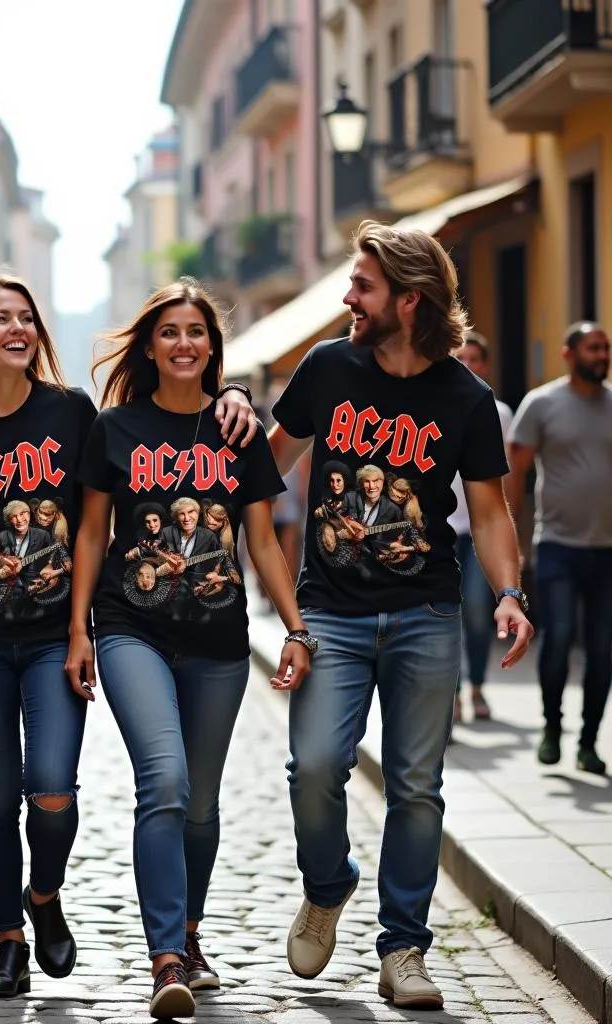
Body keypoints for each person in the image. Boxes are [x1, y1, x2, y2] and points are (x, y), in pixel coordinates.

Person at [0, 275, 260, 1000]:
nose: (18, 329)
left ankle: (46, 891)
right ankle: (9, 941)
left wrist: (236, 393)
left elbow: (106, 511)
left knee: (53, 790)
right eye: (2, 319)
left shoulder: (72, 414)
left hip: (50, 635)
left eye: (27, 318)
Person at [268, 221, 533, 1010]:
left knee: (418, 787)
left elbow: (489, 513)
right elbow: (271, 460)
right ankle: (328, 885)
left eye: (362, 286)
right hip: (330, 613)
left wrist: (510, 594)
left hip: (425, 614)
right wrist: (226, 426)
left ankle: (404, 949)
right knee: (314, 767)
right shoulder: (327, 368)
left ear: (408, 301)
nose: (347, 298)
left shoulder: (466, 399)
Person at [66, 279, 315, 1021]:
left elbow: (262, 539)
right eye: (169, 332)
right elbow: (89, 535)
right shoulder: (114, 429)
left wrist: (296, 629)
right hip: (130, 627)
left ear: (212, 347)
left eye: (196, 333)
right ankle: (165, 957)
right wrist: (79, 628)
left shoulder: (237, 434)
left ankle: (193, 931)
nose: (183, 344)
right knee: (165, 782)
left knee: (201, 804)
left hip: (217, 639)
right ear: (150, 344)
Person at [506, 321, 612, 775]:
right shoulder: (542, 404)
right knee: (561, 635)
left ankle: (588, 742)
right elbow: (514, 475)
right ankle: (553, 726)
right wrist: (511, 541)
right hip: (556, 545)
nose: (601, 354)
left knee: (604, 649)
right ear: (569, 354)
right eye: (593, 348)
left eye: (605, 348)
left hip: (607, 548)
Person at [448, 332, 513, 723]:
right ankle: (452, 693)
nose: (469, 365)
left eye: (475, 358)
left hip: (478, 531)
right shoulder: (435, 406)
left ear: (485, 365)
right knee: (447, 612)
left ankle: (476, 685)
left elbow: (505, 479)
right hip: (442, 529)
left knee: (475, 609)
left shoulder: (498, 412)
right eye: (462, 358)